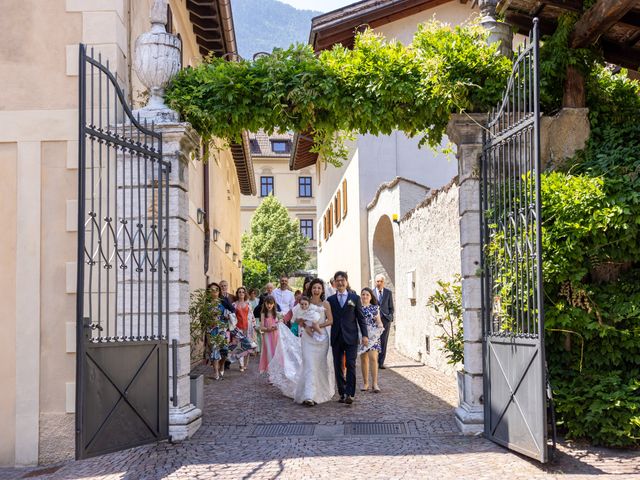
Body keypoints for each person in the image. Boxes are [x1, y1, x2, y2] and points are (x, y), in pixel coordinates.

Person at [327, 271, 368, 405]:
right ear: (334, 283)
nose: (340, 282)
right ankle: (342, 392)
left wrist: (365, 335)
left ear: (346, 281)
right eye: (337, 280)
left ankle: (350, 393)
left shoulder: (354, 298)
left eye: (342, 280)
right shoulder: (331, 300)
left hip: (351, 337)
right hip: (337, 336)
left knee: (350, 364)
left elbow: (361, 319)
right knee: (338, 366)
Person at [358, 287, 384, 393]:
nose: (365, 296)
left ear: (370, 297)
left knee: (373, 358)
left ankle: (375, 383)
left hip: (373, 336)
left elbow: (379, 321)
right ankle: (365, 383)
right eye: (363, 294)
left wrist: (380, 325)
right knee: (364, 359)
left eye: (367, 295)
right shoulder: (357, 308)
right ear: (361, 296)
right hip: (361, 335)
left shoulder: (374, 308)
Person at [207, 282, 230, 381]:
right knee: (215, 351)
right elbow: (203, 320)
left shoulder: (222, 303)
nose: (214, 291)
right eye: (212, 290)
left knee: (225, 351)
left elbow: (229, 314)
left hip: (222, 330)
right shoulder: (207, 305)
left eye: (216, 289)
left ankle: (222, 365)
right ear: (209, 292)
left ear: (219, 291)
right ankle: (216, 372)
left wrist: (226, 316)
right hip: (212, 331)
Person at [232, 286, 255, 372]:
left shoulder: (249, 304)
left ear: (245, 294)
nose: (241, 293)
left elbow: (252, 316)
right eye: (239, 292)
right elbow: (232, 316)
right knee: (240, 347)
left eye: (243, 292)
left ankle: (246, 363)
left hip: (248, 327)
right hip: (238, 328)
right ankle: (241, 365)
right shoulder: (234, 304)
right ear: (237, 294)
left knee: (248, 346)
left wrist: (254, 326)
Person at [374, 274, 395, 369]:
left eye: (381, 281)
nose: (379, 283)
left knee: (383, 341)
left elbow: (391, 307)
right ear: (375, 282)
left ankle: (381, 362)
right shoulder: (371, 293)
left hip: (386, 320)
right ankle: (374, 361)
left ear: (384, 282)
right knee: (375, 341)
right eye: (377, 281)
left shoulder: (388, 293)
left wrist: (390, 316)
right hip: (374, 321)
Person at [259, 296, 279, 374]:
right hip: (267, 336)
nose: (269, 305)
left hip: (275, 335)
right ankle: (271, 373)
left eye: (271, 303)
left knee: (275, 353)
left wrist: (276, 326)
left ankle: (276, 371)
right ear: (265, 304)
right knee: (269, 353)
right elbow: (261, 327)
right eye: (268, 303)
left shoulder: (276, 313)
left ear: (274, 304)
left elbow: (278, 324)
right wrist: (268, 329)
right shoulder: (263, 314)